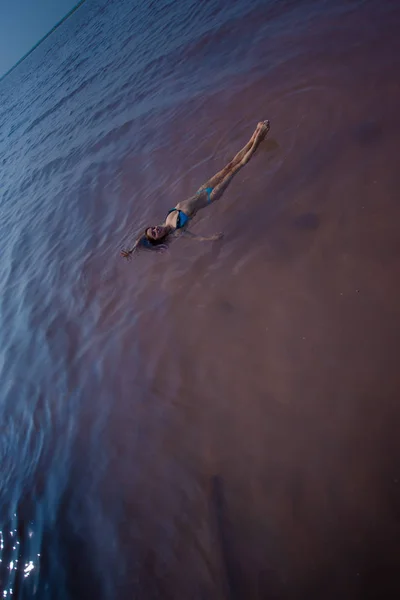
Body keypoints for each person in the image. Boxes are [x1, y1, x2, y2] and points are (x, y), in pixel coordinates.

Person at [121, 120, 270, 257]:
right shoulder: (177, 231)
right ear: (160, 238)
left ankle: (254, 136)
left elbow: (142, 239)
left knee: (230, 165)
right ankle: (260, 135)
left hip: (202, 190)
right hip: (211, 195)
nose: (155, 230)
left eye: (152, 229)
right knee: (239, 166)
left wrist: (132, 249)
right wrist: (211, 238)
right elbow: (195, 238)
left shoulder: (164, 223)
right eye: (154, 233)